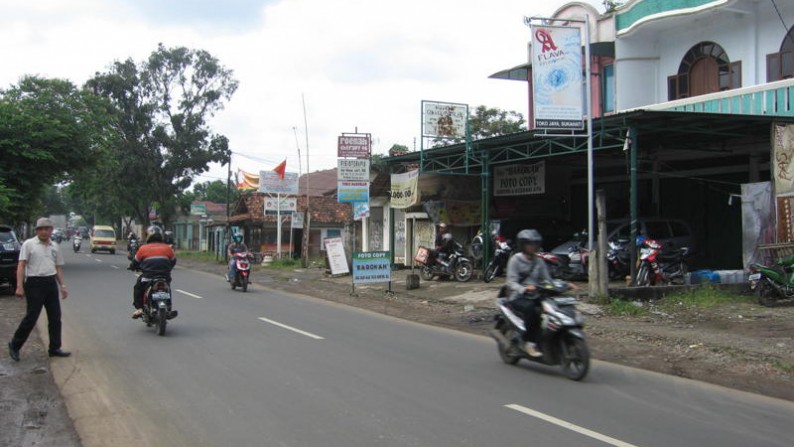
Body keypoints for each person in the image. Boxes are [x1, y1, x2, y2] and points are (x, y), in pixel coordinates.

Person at [8, 218, 71, 361]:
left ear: (51, 230)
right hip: (34, 283)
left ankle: (54, 348)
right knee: (31, 317)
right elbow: (21, 265)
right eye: (40, 229)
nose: (43, 231)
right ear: (37, 231)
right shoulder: (29, 244)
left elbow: (57, 267)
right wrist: (19, 286)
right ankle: (14, 345)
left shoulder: (55, 246)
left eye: (46, 229)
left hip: (50, 283)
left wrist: (62, 285)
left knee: (55, 317)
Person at [504, 229, 573, 358]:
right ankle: (529, 343)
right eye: (530, 244)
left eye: (535, 244)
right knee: (532, 310)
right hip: (517, 297)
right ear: (523, 245)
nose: (533, 247)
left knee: (554, 308)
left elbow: (547, 280)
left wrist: (565, 285)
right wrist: (524, 289)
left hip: (537, 295)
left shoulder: (539, 261)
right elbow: (511, 283)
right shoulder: (515, 260)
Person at [129, 226, 176, 319]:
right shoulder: (168, 248)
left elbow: (135, 262)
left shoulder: (143, 248)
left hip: (148, 277)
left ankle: (139, 309)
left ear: (148, 237)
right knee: (167, 288)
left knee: (138, 288)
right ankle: (169, 307)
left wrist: (132, 267)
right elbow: (173, 262)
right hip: (164, 277)